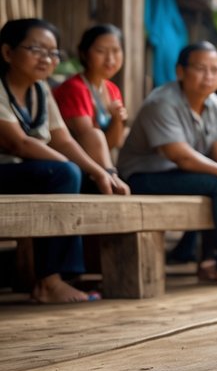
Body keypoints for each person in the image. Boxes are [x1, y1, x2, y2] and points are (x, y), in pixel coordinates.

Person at [0, 18, 129, 303]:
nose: (47, 58)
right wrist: (68, 166)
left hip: (30, 171)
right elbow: (17, 142)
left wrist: (99, 171)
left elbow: (63, 139)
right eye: (37, 49)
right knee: (65, 175)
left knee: (82, 177)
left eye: (53, 52)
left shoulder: (41, 90)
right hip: (9, 169)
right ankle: (50, 281)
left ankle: (75, 276)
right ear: (8, 53)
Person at [119, 42, 217, 287]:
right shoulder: (161, 102)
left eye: (215, 69)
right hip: (144, 176)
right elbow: (179, 155)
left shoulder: (216, 105)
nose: (209, 76)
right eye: (201, 68)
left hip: (182, 173)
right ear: (180, 71)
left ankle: (210, 260)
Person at [52, 24, 129, 174]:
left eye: (116, 51)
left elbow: (111, 144)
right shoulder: (75, 88)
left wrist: (117, 120)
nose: (110, 59)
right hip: (73, 163)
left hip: (98, 163)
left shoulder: (112, 89)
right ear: (84, 53)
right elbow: (90, 141)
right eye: (101, 51)